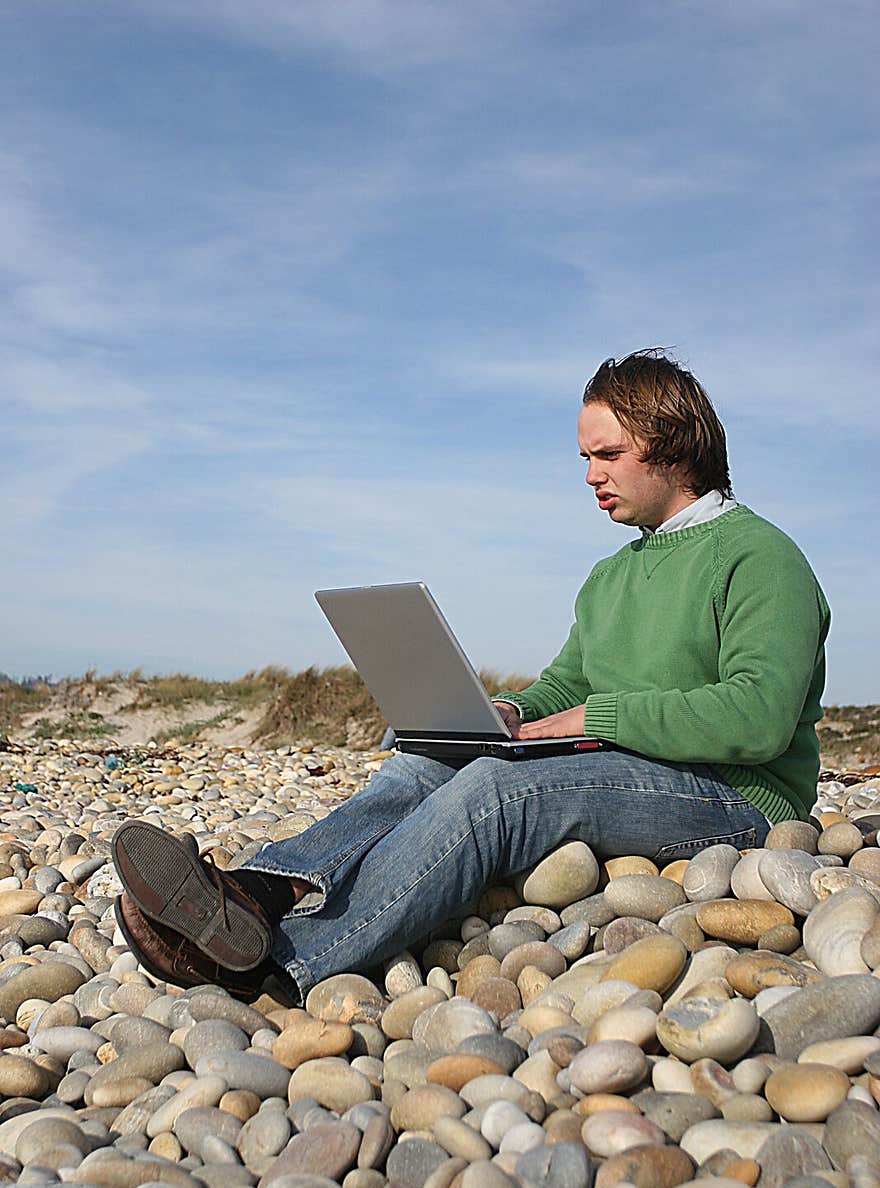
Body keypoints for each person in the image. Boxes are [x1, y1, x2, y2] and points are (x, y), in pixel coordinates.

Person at [111, 349, 831, 1006]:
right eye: (585, 456)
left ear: (674, 448)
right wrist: (508, 714)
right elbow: (567, 687)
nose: (589, 475)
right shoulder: (612, 575)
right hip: (633, 766)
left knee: (499, 793)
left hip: (736, 796)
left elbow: (758, 715)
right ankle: (257, 891)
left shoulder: (760, 557)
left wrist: (596, 719)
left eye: (607, 454)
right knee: (428, 759)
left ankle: (281, 965)